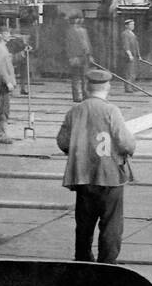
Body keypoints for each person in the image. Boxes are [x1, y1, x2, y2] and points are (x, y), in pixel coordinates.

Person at [55, 68, 136, 263]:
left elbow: (63, 142)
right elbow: (125, 142)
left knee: (84, 223)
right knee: (111, 223)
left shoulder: (75, 111)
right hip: (110, 176)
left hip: (82, 176)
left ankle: (83, 260)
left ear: (86, 87)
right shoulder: (111, 111)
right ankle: (107, 263)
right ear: (107, 87)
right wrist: (130, 148)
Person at [0, 34, 18, 144]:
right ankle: (0, 135)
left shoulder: (3, 47)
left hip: (2, 82)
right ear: (0, 35)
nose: (8, 36)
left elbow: (8, 62)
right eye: (6, 34)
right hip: (1, 83)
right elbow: (0, 67)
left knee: (2, 109)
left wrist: (22, 54)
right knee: (2, 110)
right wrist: (8, 82)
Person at [65, 14, 92, 102]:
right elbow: (69, 46)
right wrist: (71, 57)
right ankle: (77, 96)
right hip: (75, 56)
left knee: (85, 77)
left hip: (84, 56)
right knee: (76, 77)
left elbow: (87, 44)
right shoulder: (69, 31)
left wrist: (90, 55)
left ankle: (85, 94)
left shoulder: (84, 31)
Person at [121, 19, 140, 93]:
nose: (133, 26)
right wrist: (130, 55)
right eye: (131, 24)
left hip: (134, 55)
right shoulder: (125, 33)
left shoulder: (132, 33)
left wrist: (139, 55)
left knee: (133, 72)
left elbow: (136, 45)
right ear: (126, 26)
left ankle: (133, 86)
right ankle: (128, 88)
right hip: (129, 56)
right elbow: (126, 45)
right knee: (128, 72)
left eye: (133, 24)